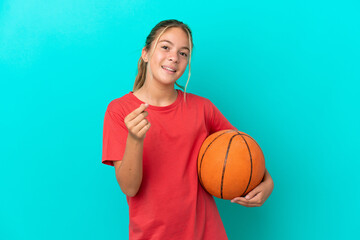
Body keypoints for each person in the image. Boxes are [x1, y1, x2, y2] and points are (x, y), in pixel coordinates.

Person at [102, 19, 274, 240]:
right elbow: (130, 188)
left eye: (184, 53)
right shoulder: (119, 110)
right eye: (165, 47)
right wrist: (135, 139)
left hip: (207, 233)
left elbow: (243, 150)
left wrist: (267, 182)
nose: (174, 57)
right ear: (145, 53)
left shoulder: (202, 108)